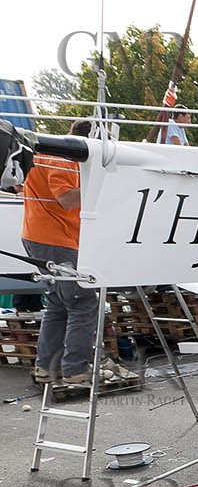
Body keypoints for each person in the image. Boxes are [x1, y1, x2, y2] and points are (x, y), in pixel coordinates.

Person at [20, 119, 135, 389]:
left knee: (58, 304)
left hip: (39, 236)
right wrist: (107, 189)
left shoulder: (48, 154)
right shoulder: (63, 157)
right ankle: (75, 369)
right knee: (83, 302)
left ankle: (45, 368)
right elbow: (66, 198)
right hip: (55, 240)